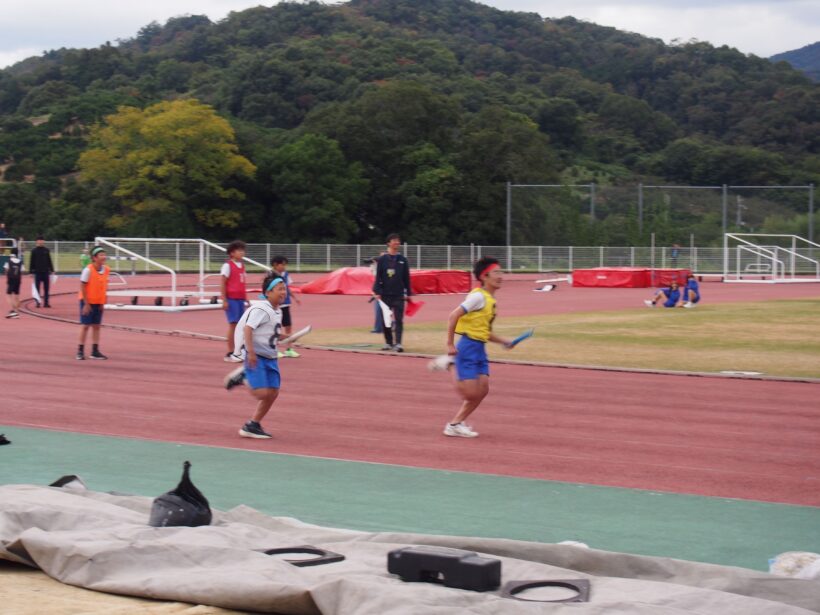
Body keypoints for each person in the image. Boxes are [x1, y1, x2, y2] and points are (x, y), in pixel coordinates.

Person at [443, 256, 512, 438]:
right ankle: (450, 364)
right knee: (471, 393)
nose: (500, 276)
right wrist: (450, 344)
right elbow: (453, 315)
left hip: (480, 348)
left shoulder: (490, 300)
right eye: (496, 272)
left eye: (501, 272)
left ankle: (455, 424)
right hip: (468, 346)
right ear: (484, 276)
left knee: (483, 390)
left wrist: (504, 341)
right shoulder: (478, 297)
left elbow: (484, 332)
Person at [229, 271, 288, 439]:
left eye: (284, 289)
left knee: (273, 393)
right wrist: (251, 352)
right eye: (279, 289)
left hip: (271, 357)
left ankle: (252, 425)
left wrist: (283, 336)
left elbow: (270, 332)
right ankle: (243, 377)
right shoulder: (261, 309)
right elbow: (248, 328)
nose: (283, 292)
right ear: (268, 292)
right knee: (261, 394)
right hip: (257, 357)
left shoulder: (278, 311)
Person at [372, 233, 411, 352]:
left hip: (399, 294)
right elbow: (378, 277)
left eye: (398, 240)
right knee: (386, 320)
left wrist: (408, 293)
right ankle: (388, 343)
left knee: (399, 320)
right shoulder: (382, 260)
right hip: (385, 294)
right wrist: (377, 291)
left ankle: (398, 344)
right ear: (388, 243)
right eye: (394, 240)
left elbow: (406, 278)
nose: (397, 242)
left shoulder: (403, 260)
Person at [77, 246, 110, 360]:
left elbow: (104, 286)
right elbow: (83, 286)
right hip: (88, 301)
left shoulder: (106, 269)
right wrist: (86, 304)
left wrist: (102, 302)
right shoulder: (88, 270)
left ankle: (95, 351)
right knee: (85, 326)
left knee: (96, 326)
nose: (104, 257)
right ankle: (80, 351)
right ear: (94, 258)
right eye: (101, 255)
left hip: (98, 301)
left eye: (104, 254)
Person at [220, 240, 247, 362]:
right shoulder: (227, 266)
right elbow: (223, 283)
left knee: (241, 325)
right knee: (233, 325)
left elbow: (242, 283)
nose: (242, 252)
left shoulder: (242, 266)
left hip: (240, 299)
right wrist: (224, 299)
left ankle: (239, 350)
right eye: (239, 250)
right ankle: (230, 352)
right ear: (232, 253)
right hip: (231, 299)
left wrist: (245, 298)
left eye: (243, 250)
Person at [270, 255, 302, 358]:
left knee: (288, 326)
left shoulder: (286, 274)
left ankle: (289, 349)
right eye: (282, 265)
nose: (284, 267)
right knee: (276, 327)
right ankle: (275, 349)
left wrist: (295, 298)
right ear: (275, 265)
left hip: (286, 303)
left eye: (285, 265)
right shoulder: (271, 275)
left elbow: (287, 288)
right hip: (276, 305)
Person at [29, 235, 54, 308]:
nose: (41, 241)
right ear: (36, 241)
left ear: (44, 241)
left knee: (46, 288)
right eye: (39, 240)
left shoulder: (46, 250)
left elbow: (49, 260)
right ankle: (38, 302)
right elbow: (31, 261)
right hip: (37, 272)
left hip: (46, 272)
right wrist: (31, 272)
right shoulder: (34, 251)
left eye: (42, 240)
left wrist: (52, 270)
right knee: (37, 288)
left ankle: (46, 303)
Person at [4, 247, 23, 318]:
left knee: (8, 295)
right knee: (16, 296)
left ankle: (14, 310)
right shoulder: (20, 261)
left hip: (11, 280)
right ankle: (16, 312)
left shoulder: (9, 261)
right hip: (18, 280)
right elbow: (22, 271)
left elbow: (6, 270)